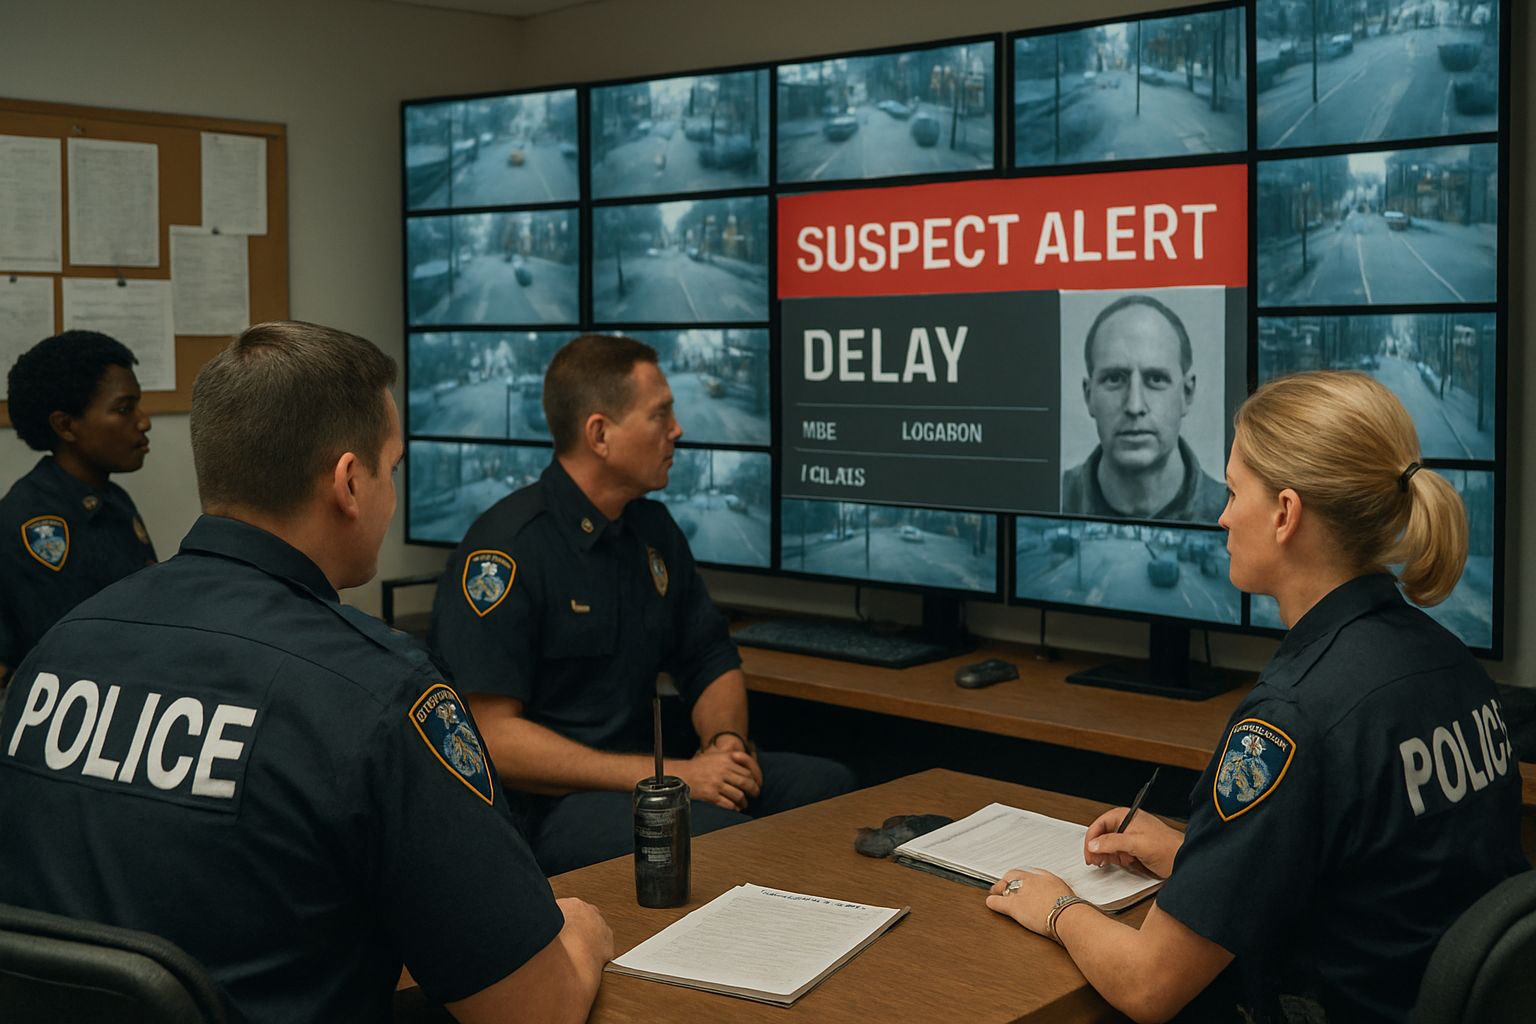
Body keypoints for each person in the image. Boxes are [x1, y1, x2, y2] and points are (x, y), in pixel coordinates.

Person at [0, 321, 611, 1024]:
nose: (391, 494)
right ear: (350, 483)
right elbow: (532, 1010)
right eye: (392, 469)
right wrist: (585, 931)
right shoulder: (378, 693)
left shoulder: (60, 650)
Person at [989, 371, 1526, 1023]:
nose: (1222, 516)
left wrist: (1054, 905)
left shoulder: (1291, 718)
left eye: (1233, 491)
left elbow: (1148, 986)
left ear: (1285, 514)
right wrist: (1194, 857)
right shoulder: (1448, 661)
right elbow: (1379, 882)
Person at [430, 333, 856, 875]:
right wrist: (670, 777)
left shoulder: (652, 530)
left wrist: (725, 745)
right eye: (660, 415)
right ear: (600, 435)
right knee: (726, 842)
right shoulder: (506, 549)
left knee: (831, 789)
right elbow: (491, 737)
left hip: (653, 775)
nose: (676, 429)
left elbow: (709, 658)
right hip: (551, 806)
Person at [0, 331, 156, 689]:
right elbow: (68, 652)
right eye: (124, 409)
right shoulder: (32, 522)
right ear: (66, 425)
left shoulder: (113, 500)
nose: (143, 421)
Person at [1060, 294, 1226, 522]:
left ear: (1186, 394)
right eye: (1114, 379)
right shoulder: (1049, 498)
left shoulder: (1234, 513)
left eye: (1156, 379)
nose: (1134, 406)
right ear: (1089, 396)